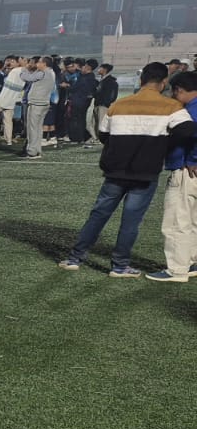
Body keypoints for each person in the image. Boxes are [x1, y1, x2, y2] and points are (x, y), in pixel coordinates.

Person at [60, 63, 196, 277]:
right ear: (164, 83)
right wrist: (162, 144)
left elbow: (104, 134)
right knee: (130, 221)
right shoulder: (171, 106)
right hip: (145, 173)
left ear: (141, 81)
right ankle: (120, 266)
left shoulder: (119, 105)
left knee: (98, 215)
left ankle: (74, 258)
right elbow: (188, 131)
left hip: (115, 170)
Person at [147, 71, 197, 282]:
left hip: (186, 170)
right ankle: (191, 261)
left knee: (177, 220)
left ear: (179, 90)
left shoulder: (189, 111)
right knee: (193, 220)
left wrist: (193, 158)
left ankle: (177, 269)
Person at [18, 56, 56, 159]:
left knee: (32, 129)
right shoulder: (51, 72)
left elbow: (26, 78)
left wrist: (24, 68)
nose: (37, 64)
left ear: (44, 64)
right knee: (38, 128)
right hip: (43, 103)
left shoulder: (43, 73)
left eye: (39, 62)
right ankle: (37, 150)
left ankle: (32, 152)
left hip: (36, 104)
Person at [89, 63, 118, 147]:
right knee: (95, 123)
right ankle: (96, 138)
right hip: (98, 104)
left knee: (101, 124)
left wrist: (105, 103)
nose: (98, 70)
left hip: (103, 106)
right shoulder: (102, 80)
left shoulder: (110, 81)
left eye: (100, 68)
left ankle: (102, 140)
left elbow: (112, 96)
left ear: (104, 70)